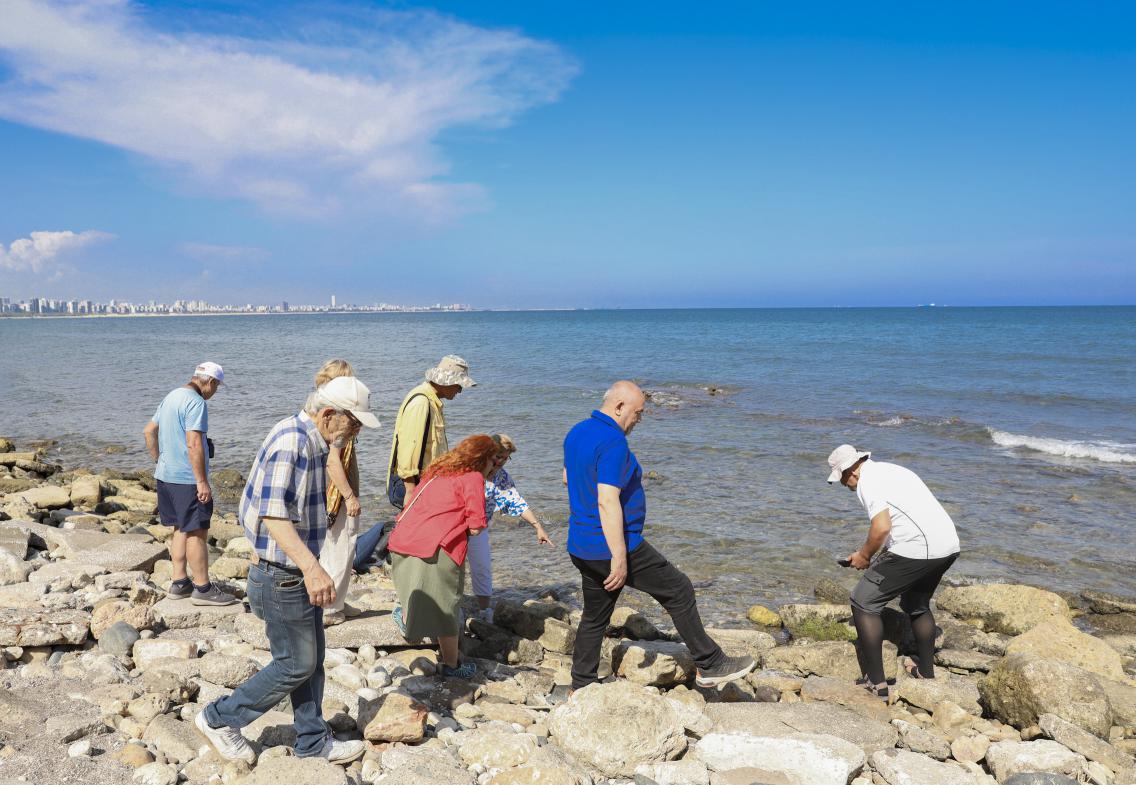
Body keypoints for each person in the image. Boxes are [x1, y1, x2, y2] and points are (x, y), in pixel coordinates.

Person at [194, 377, 379, 765]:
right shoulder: (292, 441)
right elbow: (273, 514)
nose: (357, 431)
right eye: (354, 422)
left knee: (310, 657)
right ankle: (219, 717)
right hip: (282, 575)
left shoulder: (314, 440)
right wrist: (313, 568)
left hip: (292, 569)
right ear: (329, 414)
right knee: (295, 663)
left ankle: (313, 740)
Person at [563, 380, 755, 691]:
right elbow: (606, 500)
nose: (638, 420)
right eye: (637, 413)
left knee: (596, 615)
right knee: (678, 589)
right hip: (611, 544)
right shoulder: (614, 443)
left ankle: (582, 683)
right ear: (619, 407)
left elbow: (567, 477)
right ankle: (710, 663)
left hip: (581, 544)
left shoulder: (578, 432)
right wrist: (620, 558)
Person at [828, 444, 961, 701]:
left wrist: (864, 556)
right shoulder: (896, 471)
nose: (844, 485)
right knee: (916, 604)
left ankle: (876, 683)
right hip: (948, 546)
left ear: (850, 471)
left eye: (842, 479)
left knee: (863, 602)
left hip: (916, 549)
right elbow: (909, 518)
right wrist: (875, 556)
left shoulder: (868, 482)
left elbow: (881, 528)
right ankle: (926, 672)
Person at [387, 434, 497, 680]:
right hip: (436, 546)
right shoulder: (473, 477)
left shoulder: (437, 471)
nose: (494, 467)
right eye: (494, 461)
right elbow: (477, 526)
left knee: (414, 587)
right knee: (447, 606)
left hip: (401, 540)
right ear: (484, 459)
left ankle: (408, 620)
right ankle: (451, 665)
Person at [353, 355, 476, 571]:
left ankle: (391, 565)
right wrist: (411, 489)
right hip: (413, 485)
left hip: (421, 485)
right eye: (459, 384)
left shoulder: (432, 402)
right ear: (446, 381)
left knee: (416, 536)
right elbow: (409, 449)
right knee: (414, 539)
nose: (460, 390)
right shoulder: (421, 403)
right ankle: (385, 565)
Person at [143, 362, 235, 606]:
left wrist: (159, 460)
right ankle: (203, 588)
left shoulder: (172, 395)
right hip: (187, 479)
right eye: (216, 387)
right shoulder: (196, 403)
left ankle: (179, 581)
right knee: (196, 532)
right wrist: (202, 481)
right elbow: (194, 443)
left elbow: (149, 431)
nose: (215, 392)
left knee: (180, 528)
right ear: (211, 382)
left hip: (166, 476)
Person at [468, 433, 553, 623]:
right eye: (498, 457)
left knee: (482, 568)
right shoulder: (470, 469)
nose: (501, 462)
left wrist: (538, 527)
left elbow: (517, 502)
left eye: (506, 458)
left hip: (478, 529)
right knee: (452, 570)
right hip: (456, 527)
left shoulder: (501, 477)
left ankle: (484, 611)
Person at [310, 360, 366, 625]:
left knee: (335, 548)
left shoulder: (320, 410)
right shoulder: (341, 419)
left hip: (326, 492)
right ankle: (331, 608)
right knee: (343, 547)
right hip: (336, 495)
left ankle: (337, 601)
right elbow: (334, 462)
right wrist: (349, 496)